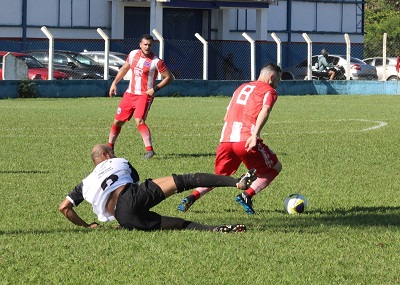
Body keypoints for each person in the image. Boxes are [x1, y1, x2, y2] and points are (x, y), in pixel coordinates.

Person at [58, 144, 254, 232]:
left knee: (178, 224)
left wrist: (87, 226)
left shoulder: (85, 182)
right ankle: (236, 182)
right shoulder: (118, 161)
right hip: (131, 196)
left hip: (124, 218)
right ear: (106, 154)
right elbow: (134, 179)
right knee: (185, 180)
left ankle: (213, 230)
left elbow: (64, 208)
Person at [177, 63, 282, 215]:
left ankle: (190, 198)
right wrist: (254, 135)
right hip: (245, 140)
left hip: (226, 140)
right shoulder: (269, 91)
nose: (277, 84)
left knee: (218, 177)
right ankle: (246, 195)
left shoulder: (240, 88)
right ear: (271, 77)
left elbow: (226, 116)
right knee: (274, 168)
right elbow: (265, 110)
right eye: (277, 80)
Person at [108, 34, 174, 159]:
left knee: (139, 120)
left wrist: (154, 89)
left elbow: (169, 78)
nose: (147, 47)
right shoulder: (133, 54)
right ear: (140, 45)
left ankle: (149, 151)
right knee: (117, 121)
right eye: (145, 44)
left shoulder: (156, 61)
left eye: (149, 45)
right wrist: (114, 83)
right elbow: (125, 68)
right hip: (129, 94)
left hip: (144, 96)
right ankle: (110, 148)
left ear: (152, 45)